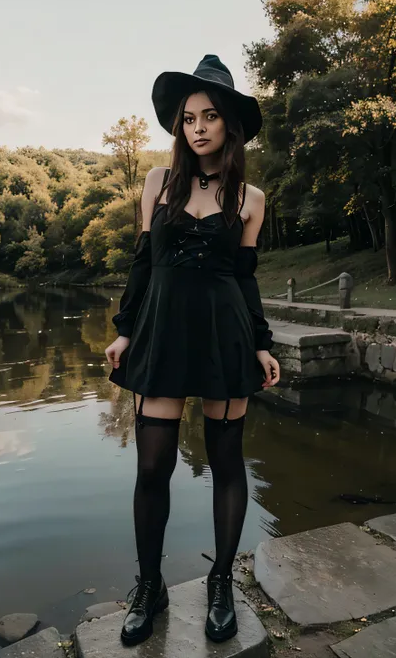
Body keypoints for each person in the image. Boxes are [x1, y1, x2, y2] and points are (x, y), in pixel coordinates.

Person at [105, 54, 280, 647]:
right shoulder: (158, 182)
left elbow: (246, 278)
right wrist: (125, 330)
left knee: (226, 462)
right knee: (152, 464)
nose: (198, 127)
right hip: (163, 330)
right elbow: (144, 263)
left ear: (228, 122)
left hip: (224, 334)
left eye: (209, 116)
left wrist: (260, 343)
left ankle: (220, 581)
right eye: (187, 119)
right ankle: (149, 585)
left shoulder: (251, 198)